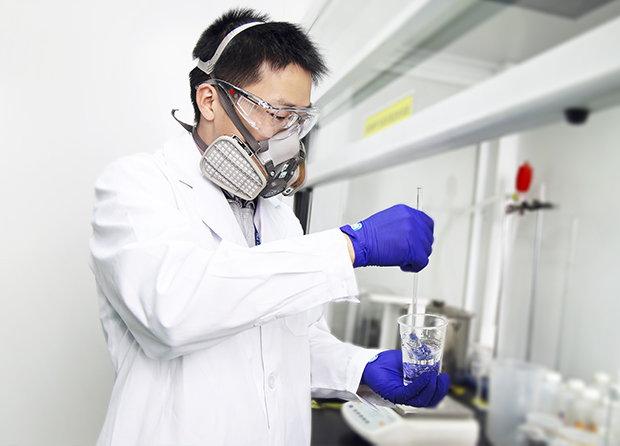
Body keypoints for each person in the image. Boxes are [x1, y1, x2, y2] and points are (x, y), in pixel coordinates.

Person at [89, 7, 449, 446]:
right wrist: (349, 247)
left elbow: (290, 346)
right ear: (209, 101)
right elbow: (172, 312)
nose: (288, 139)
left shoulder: (277, 214)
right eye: (277, 114)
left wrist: (360, 368)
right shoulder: (137, 186)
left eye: (299, 119)